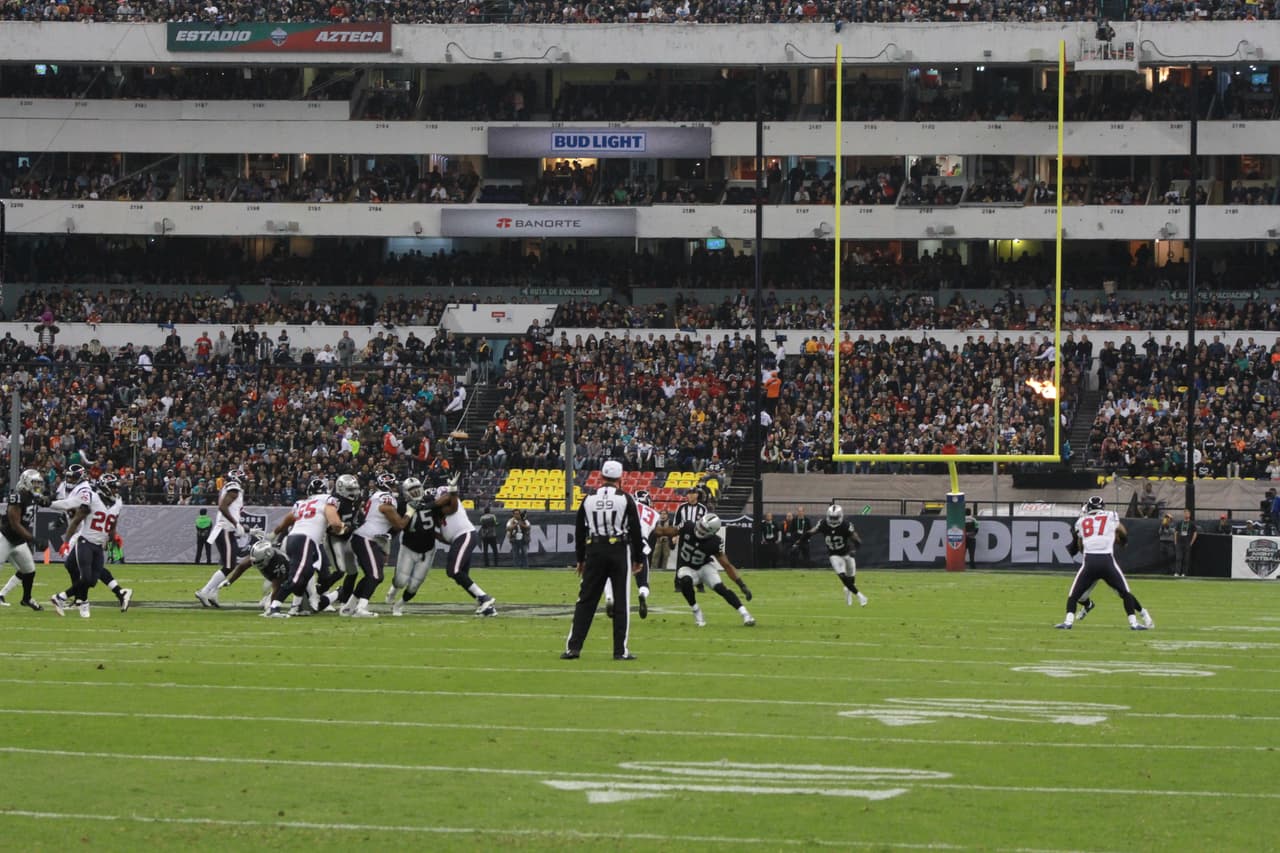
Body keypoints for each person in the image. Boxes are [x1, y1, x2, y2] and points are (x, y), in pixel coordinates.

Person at [562, 460, 644, 660]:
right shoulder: (625, 498)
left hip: (594, 549)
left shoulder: (588, 498)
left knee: (586, 600)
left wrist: (580, 559)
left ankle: (573, 647)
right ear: (620, 478)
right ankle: (619, 651)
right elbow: (635, 530)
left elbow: (580, 531)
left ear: (601, 476)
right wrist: (638, 557)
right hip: (618, 550)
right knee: (621, 601)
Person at [1055, 496, 1153, 631]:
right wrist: (1123, 542)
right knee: (1125, 593)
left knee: (1074, 594)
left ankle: (1068, 622)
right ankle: (1134, 623)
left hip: (1090, 562)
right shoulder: (1111, 515)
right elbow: (1122, 531)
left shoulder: (1081, 521)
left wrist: (1080, 549)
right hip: (1107, 562)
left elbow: (1079, 543)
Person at [50, 473, 130, 618]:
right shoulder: (92, 498)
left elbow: (112, 525)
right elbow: (75, 521)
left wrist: (114, 538)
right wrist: (66, 542)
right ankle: (68, 599)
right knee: (86, 578)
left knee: (92, 581)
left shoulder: (118, 502)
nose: (115, 490)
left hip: (98, 546)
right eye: (112, 487)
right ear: (105, 487)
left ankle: (62, 597)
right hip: (85, 542)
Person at [264, 481, 346, 618]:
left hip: (295, 539)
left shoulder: (302, 503)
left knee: (306, 575)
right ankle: (274, 608)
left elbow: (287, 520)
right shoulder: (328, 501)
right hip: (305, 540)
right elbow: (335, 523)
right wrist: (344, 528)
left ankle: (296, 606)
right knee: (296, 578)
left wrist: (273, 534)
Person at [346, 471, 414, 617]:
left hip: (367, 538)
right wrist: (409, 512)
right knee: (375, 575)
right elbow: (400, 524)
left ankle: (349, 606)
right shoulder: (385, 499)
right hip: (366, 538)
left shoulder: (377, 496)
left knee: (372, 575)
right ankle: (361, 609)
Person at [668, 512, 755, 627]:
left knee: (720, 588)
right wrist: (652, 531)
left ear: (712, 532)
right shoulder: (688, 526)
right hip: (686, 566)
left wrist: (742, 585)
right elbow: (666, 531)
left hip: (704, 566)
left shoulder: (715, 542)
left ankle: (745, 614)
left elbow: (727, 566)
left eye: (704, 528)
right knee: (685, 582)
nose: (700, 529)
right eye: (701, 525)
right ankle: (696, 611)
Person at [433, 477, 496, 615]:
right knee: (460, 576)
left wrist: (452, 491)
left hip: (465, 535)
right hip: (458, 539)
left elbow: (451, 500)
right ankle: (488, 608)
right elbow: (443, 536)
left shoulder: (453, 501)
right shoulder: (439, 513)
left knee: (453, 570)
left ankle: (485, 598)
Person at [603, 488, 662, 620]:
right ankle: (642, 593)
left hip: (622, 544)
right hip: (641, 546)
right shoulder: (653, 514)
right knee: (643, 581)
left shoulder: (625, 506)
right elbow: (654, 534)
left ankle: (609, 597)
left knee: (609, 574)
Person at [194, 467, 248, 607]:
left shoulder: (231, 490)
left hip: (226, 530)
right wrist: (236, 524)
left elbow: (229, 510)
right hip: (225, 530)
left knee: (228, 564)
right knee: (230, 565)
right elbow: (223, 507)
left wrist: (247, 529)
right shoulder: (234, 488)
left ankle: (212, 593)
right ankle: (205, 591)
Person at [385, 477, 438, 616]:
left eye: (417, 488)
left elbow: (440, 506)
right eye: (411, 490)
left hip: (428, 549)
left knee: (415, 585)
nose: (415, 492)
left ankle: (398, 605)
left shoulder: (429, 499)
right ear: (406, 492)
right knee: (401, 581)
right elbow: (397, 524)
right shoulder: (402, 505)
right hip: (409, 547)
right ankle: (394, 589)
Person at [0, 469, 49, 611]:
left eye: (39, 483)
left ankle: (26, 598)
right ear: (26, 482)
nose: (37, 486)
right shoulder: (17, 496)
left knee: (29, 570)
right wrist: (33, 539)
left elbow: (47, 502)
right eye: (34, 483)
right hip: (6, 538)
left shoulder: (34, 496)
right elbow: (15, 524)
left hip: (19, 541)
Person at [803, 504, 868, 607]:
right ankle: (860, 596)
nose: (833, 520)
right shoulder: (823, 523)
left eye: (835, 518)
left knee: (851, 580)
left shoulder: (846, 525)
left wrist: (854, 550)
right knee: (842, 576)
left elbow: (857, 541)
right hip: (834, 555)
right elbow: (811, 532)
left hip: (847, 554)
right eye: (831, 517)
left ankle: (848, 592)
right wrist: (799, 541)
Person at [317, 474, 365, 614]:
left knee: (353, 572)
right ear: (341, 488)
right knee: (340, 571)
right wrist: (345, 528)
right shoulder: (334, 502)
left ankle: (345, 602)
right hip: (334, 538)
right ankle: (316, 592)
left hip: (347, 538)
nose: (354, 492)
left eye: (355, 489)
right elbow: (330, 526)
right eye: (351, 489)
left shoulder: (356, 500)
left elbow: (357, 516)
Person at [1174, 508, 1198, 578]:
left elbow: (1195, 533)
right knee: (1178, 558)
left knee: (1186, 559)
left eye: (1187, 513)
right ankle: (1177, 572)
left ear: (1189, 515)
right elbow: (1176, 532)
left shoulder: (1192, 524)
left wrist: (1191, 543)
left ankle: (1184, 573)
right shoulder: (1179, 523)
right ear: (1183, 514)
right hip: (1179, 543)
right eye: (1185, 513)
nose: (1186, 514)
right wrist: (1175, 542)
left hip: (1187, 543)